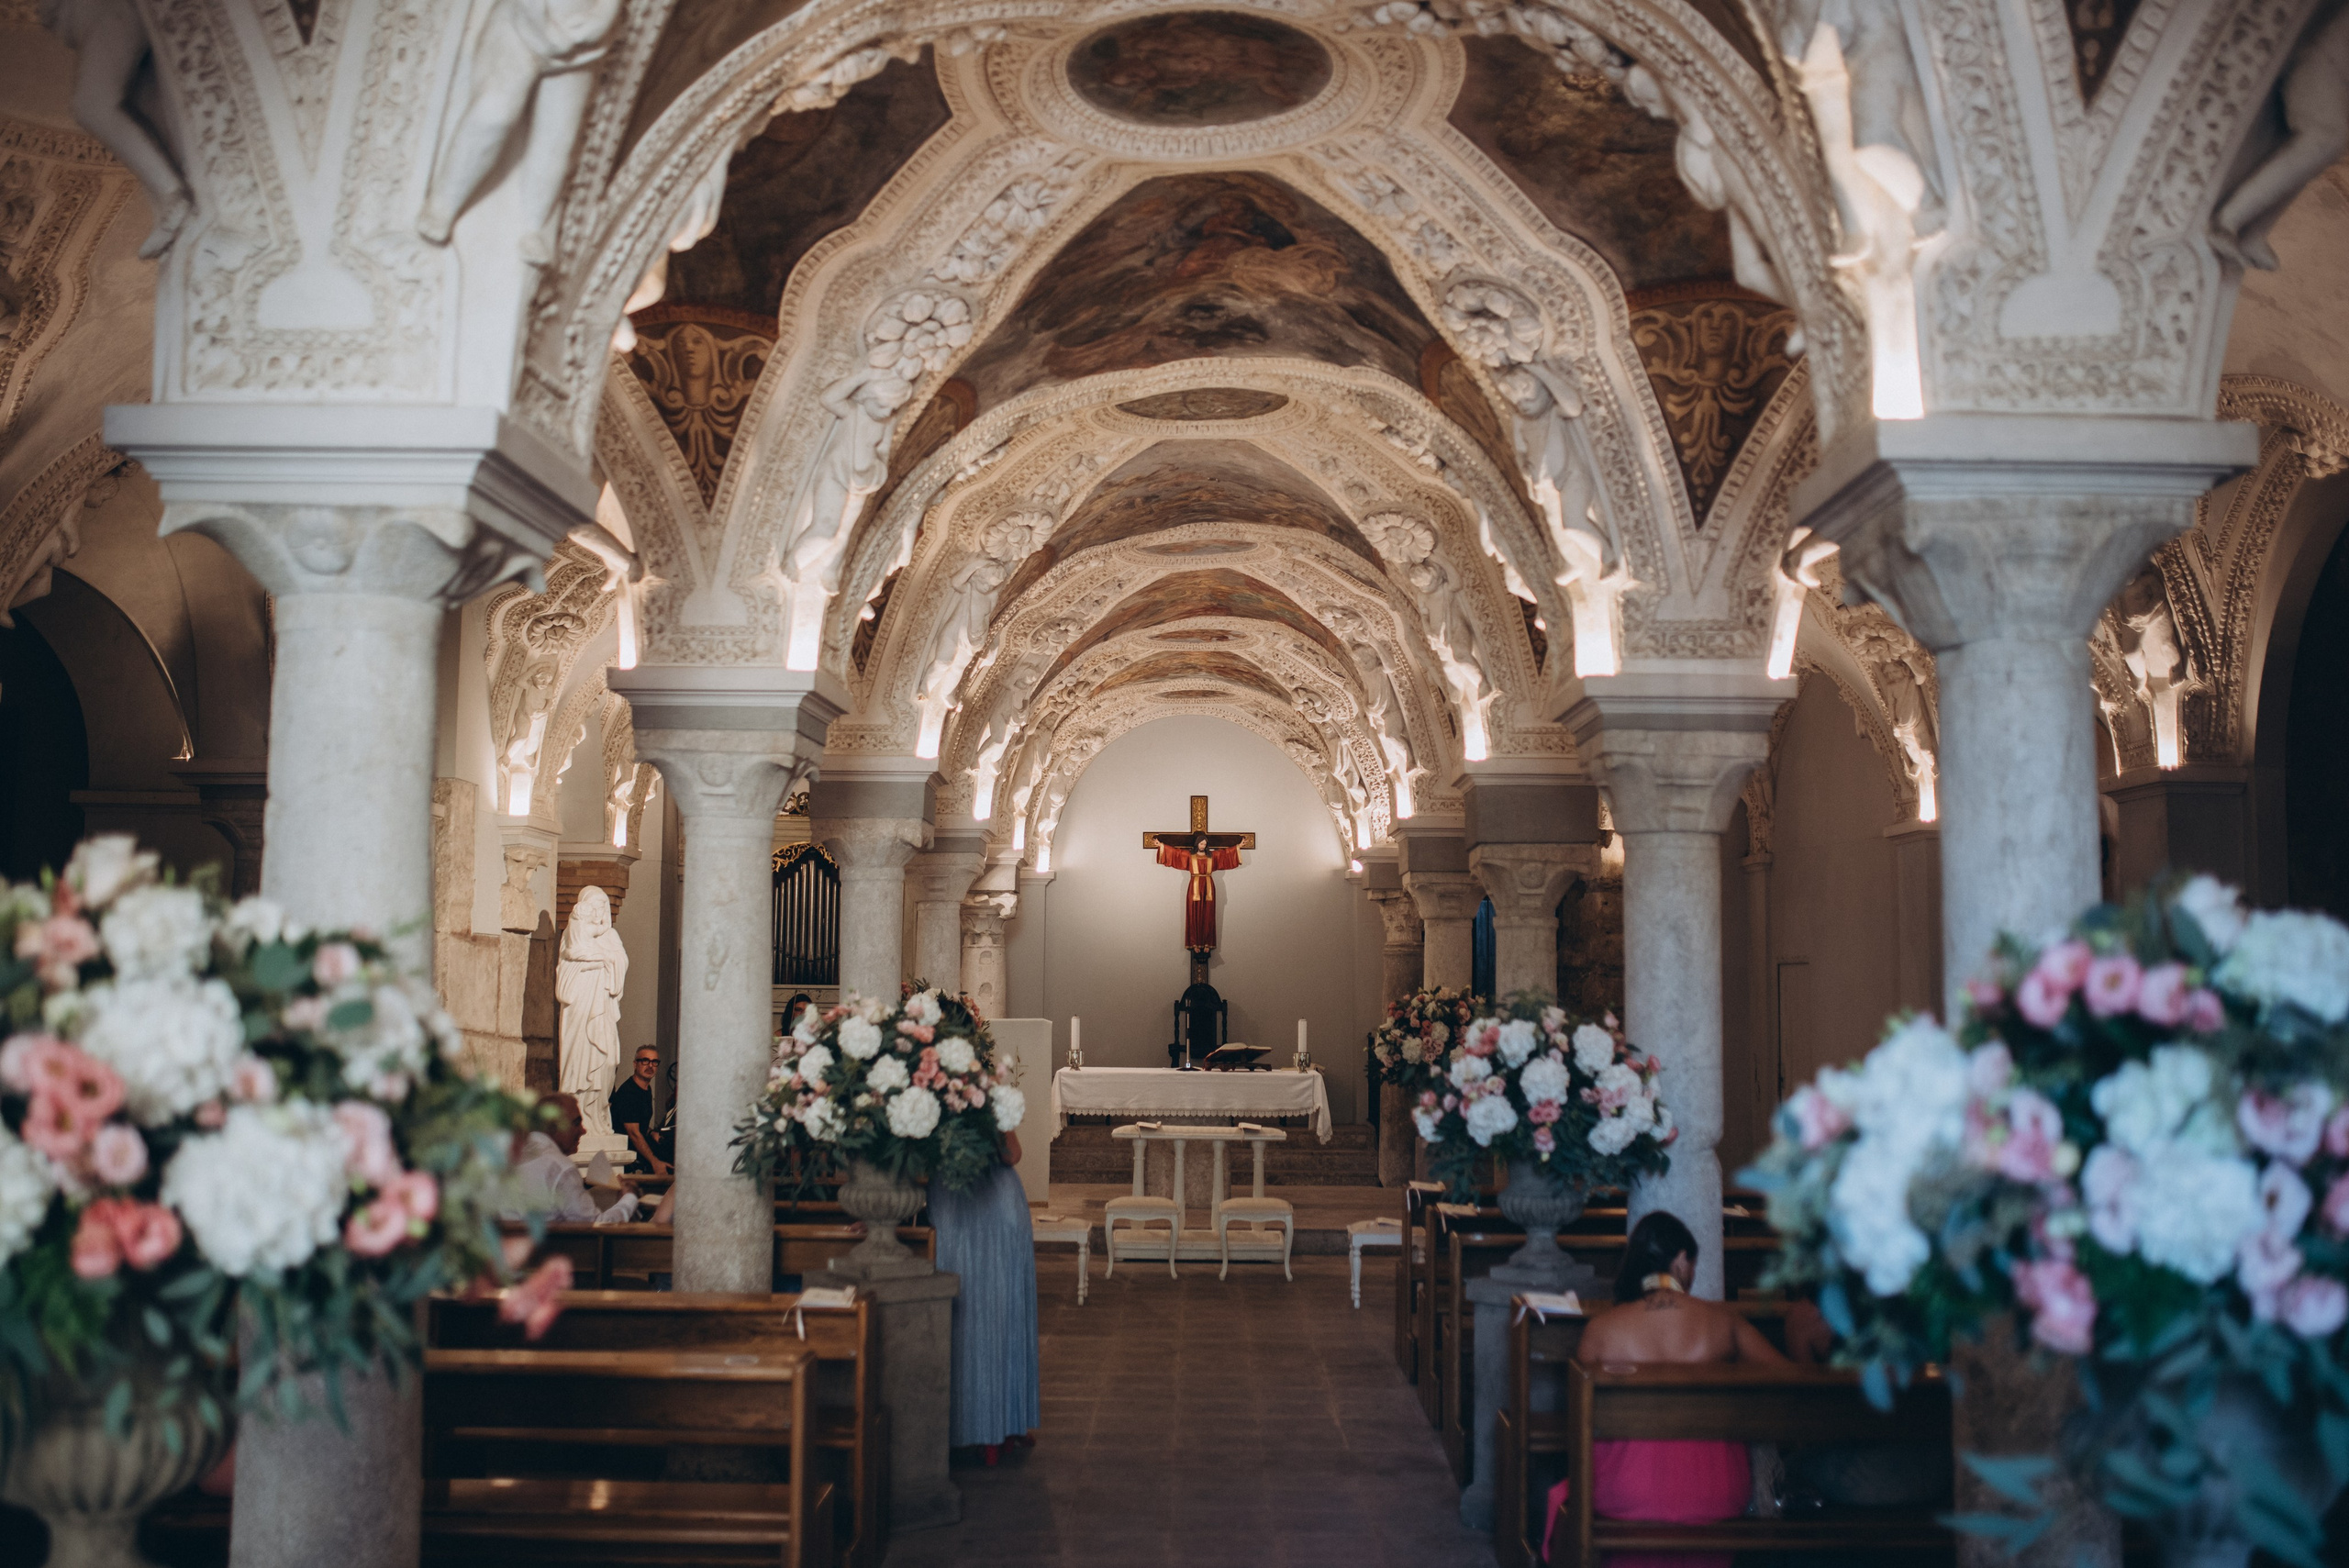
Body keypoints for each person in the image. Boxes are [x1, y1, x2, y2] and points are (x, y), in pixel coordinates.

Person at [1558, 1211, 1785, 1568]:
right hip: (1716, 1491)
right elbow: (1788, 1380)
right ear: (1680, 1261)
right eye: (1692, 1264)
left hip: (1625, 1490)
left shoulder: (1602, 1330)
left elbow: (1578, 1422)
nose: (1692, 1275)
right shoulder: (1724, 1322)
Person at [928, 1129, 1040, 1463]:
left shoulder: (979, 1092)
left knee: (997, 1313)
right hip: (956, 1208)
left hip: (996, 1206)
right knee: (967, 1312)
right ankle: (979, 1426)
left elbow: (1012, 1153)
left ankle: (1001, 1423)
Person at [507, 1093, 637, 1225]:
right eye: (576, 1123)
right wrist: (629, 1199)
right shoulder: (559, 1166)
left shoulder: (509, 1156)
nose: (583, 1130)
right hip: (551, 1245)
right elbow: (594, 1227)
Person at [611, 1047, 667, 1176]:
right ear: (635, 1064)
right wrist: (655, 1162)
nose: (650, 1066)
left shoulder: (645, 1088)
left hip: (637, 1148)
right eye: (645, 1061)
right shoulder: (629, 1093)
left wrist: (651, 1132)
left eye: (654, 1062)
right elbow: (634, 1133)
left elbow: (638, 1120)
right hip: (628, 1154)